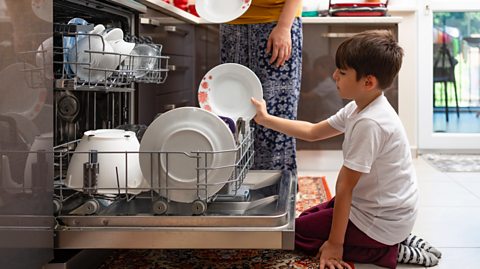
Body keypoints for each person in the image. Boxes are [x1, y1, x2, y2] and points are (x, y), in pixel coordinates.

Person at [251, 30, 442, 268]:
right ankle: (391, 238)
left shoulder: (370, 123)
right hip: (380, 209)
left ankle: (388, 249)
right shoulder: (360, 106)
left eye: (342, 73)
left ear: (368, 82)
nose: (334, 76)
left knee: (295, 234)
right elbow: (313, 131)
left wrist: (335, 245)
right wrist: (266, 119)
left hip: (381, 220)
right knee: (305, 220)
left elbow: (344, 187)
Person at [220, 0, 303, 172]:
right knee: (233, 107)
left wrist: (284, 26)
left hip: (275, 21)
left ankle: (279, 187)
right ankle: (236, 184)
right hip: (231, 20)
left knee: (275, 111)